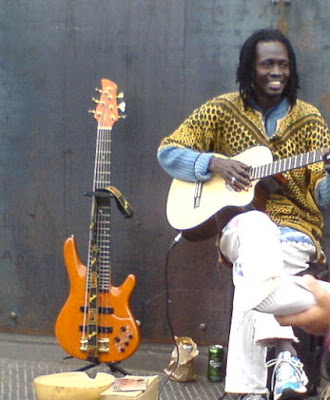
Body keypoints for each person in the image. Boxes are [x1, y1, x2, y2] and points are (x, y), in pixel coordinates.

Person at [157, 28, 330, 400]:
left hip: (295, 233)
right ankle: (284, 352)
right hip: (237, 226)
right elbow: (168, 152)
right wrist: (212, 162)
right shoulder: (221, 111)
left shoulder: (310, 120)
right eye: (267, 63)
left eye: (283, 64)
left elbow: (324, 196)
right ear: (249, 68)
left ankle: (248, 391)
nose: (276, 71)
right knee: (254, 224)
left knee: (254, 266)